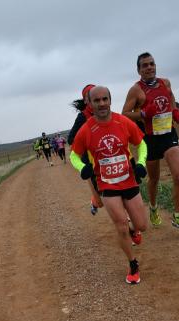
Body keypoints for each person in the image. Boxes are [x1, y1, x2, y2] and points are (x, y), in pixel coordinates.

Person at [70, 86, 148, 284]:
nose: (102, 103)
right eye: (97, 100)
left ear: (110, 100)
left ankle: (134, 229)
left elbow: (141, 143)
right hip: (106, 184)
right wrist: (82, 168)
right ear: (90, 104)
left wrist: (140, 163)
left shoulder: (123, 122)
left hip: (128, 179)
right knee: (121, 225)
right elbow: (74, 154)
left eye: (105, 99)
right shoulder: (86, 129)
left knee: (141, 225)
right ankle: (133, 264)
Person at [122, 52, 179, 231]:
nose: (149, 67)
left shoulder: (165, 83)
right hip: (150, 139)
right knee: (154, 179)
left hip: (169, 134)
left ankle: (177, 216)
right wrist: (144, 113)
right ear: (139, 70)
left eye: (151, 64)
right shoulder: (136, 90)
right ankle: (153, 208)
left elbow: (171, 98)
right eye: (144, 65)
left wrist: (175, 110)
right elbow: (125, 114)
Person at [68, 84, 104, 215]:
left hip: (108, 155)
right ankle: (95, 201)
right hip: (90, 160)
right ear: (86, 100)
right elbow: (71, 139)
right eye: (91, 96)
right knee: (101, 201)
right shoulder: (83, 117)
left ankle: (128, 222)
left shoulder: (106, 111)